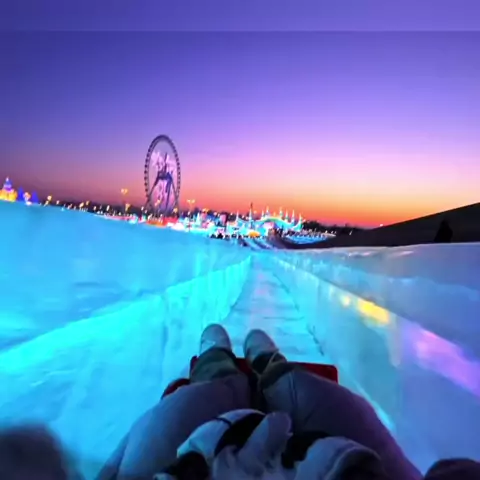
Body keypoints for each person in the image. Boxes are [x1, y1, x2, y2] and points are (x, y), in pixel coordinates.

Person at [95, 324, 480, 480]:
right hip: (347, 463)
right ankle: (267, 365)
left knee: (220, 388)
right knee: (290, 387)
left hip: (202, 456)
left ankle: (226, 363)